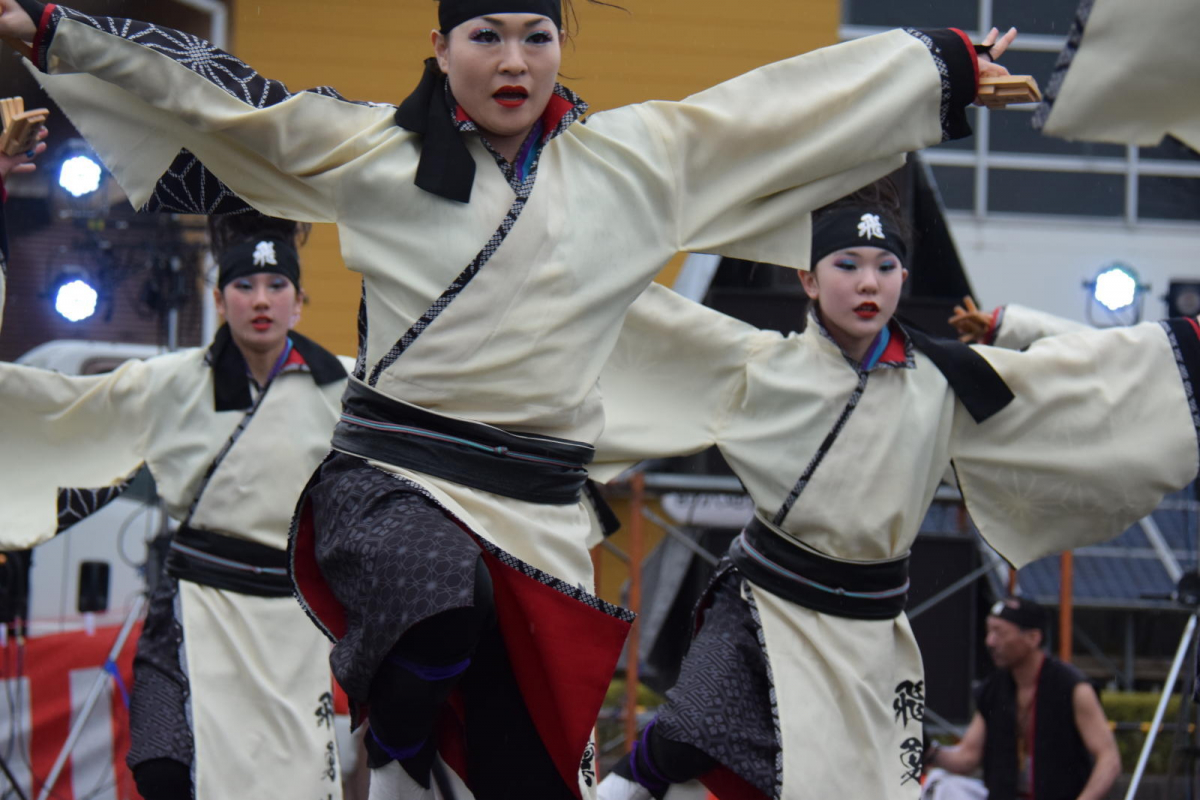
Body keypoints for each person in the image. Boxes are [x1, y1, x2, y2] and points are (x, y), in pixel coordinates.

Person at [0, 1, 1024, 796]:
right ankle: (394, 725)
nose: (513, 61)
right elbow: (228, 110)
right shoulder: (372, 154)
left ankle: (411, 741)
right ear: (439, 44)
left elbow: (764, 115)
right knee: (442, 598)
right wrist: (63, 33)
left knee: (524, 767)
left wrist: (936, 67)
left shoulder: (634, 167)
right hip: (390, 484)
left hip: (538, 513)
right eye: (486, 35)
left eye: (537, 36)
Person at [587, 181, 1198, 800]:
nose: (868, 283)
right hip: (764, 604)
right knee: (689, 730)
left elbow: (1074, 381)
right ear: (808, 278)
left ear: (904, 278)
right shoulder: (760, 367)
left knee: (825, 784)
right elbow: (653, 335)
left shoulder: (944, 382)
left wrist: (1018, 326)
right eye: (846, 265)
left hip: (866, 629)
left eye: (886, 267)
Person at [0, 210, 354, 800]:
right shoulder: (171, 382)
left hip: (295, 616)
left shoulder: (343, 387)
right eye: (244, 285)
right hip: (196, 606)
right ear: (219, 299)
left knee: (291, 779)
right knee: (164, 765)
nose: (260, 300)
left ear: (299, 302)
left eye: (276, 286)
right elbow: (60, 410)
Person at [923, 598, 1121, 800]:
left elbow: (1109, 758)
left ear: (1033, 637)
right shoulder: (994, 690)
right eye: (989, 631)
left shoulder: (1072, 688)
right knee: (944, 785)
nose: (990, 642)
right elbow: (967, 757)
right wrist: (927, 749)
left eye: (999, 632)